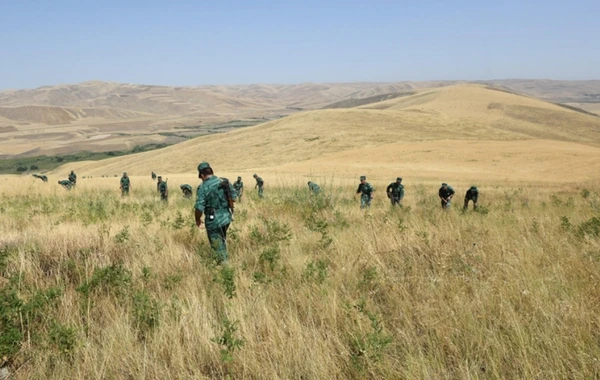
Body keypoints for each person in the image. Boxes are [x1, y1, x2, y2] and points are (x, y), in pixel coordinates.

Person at [194, 162, 236, 264]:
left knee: (217, 245)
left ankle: (224, 268)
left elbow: (199, 207)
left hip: (214, 220)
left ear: (202, 175)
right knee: (222, 239)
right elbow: (234, 197)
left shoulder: (203, 187)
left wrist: (197, 219)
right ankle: (224, 260)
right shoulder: (224, 181)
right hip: (227, 217)